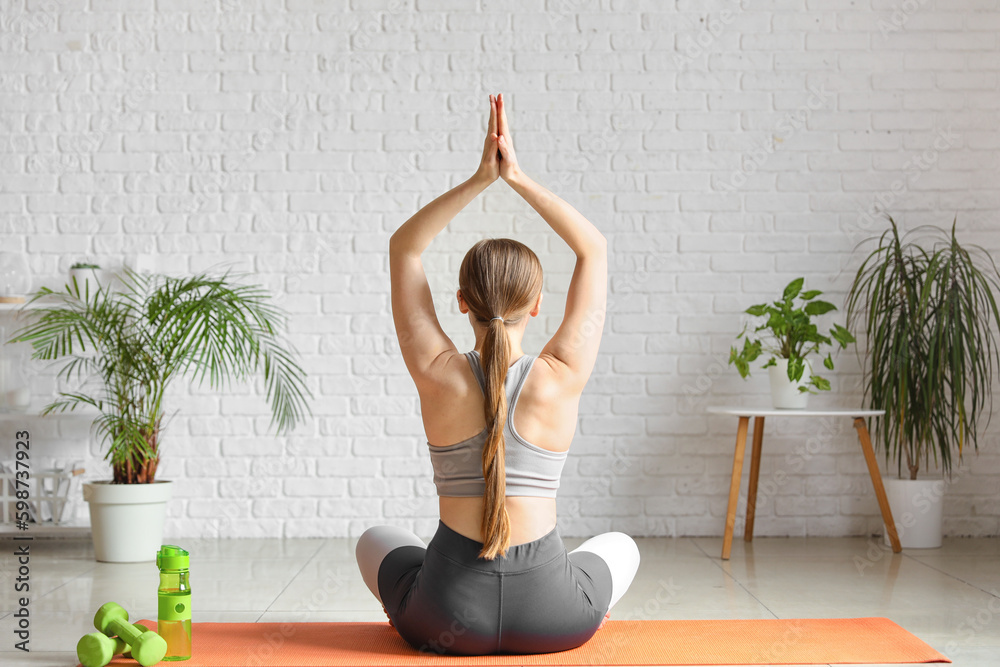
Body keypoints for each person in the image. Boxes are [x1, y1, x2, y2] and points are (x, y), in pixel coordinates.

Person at [356, 92, 640, 656]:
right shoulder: (561, 376)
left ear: (460, 302)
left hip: (442, 616)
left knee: (375, 541)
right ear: (537, 306)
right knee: (622, 547)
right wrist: (518, 178)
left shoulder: (437, 374)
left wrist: (479, 178)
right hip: (554, 619)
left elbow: (403, 249)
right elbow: (594, 250)